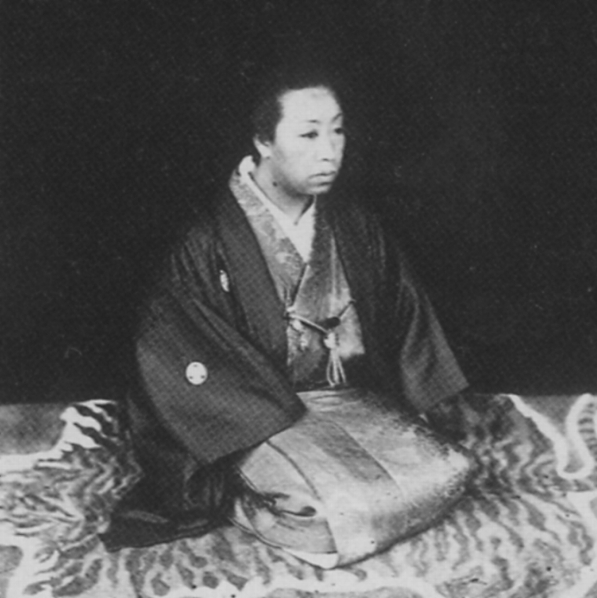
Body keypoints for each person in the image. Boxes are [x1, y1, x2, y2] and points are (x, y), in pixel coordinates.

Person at [103, 64, 469, 551]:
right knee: (327, 511)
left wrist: (431, 401)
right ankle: (241, 494)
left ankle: (282, 489)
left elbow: (404, 313)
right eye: (309, 134)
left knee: (451, 470)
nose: (329, 151)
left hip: (350, 400)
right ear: (263, 141)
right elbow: (179, 349)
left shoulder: (354, 225)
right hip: (260, 415)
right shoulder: (206, 240)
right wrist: (261, 424)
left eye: (338, 131)